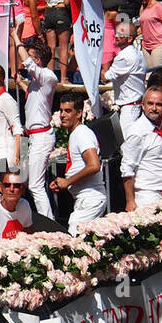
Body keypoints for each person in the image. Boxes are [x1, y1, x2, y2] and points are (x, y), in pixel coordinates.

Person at [12, 34, 58, 218]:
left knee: (35, 185)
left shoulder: (48, 76)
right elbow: (36, 99)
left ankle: (49, 223)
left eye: (30, 57)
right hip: (32, 136)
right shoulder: (37, 81)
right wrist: (22, 84)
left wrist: (16, 39)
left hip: (41, 136)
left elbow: (28, 64)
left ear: (37, 60)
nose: (25, 62)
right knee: (29, 182)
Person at [50, 96, 106, 233]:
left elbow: (94, 165)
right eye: (61, 111)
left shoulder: (82, 133)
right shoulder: (77, 133)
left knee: (75, 243)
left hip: (91, 198)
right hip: (85, 199)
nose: (62, 115)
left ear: (79, 113)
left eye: (68, 111)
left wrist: (67, 181)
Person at [121, 87, 162, 209]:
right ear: (143, 106)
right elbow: (127, 168)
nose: (154, 108)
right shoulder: (137, 131)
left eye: (158, 104)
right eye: (150, 104)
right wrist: (130, 201)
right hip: (147, 195)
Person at [103, 20, 147, 136]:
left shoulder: (123, 57)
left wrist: (96, 62)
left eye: (121, 35)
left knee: (128, 144)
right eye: (116, 33)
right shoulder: (138, 53)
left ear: (129, 39)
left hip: (129, 109)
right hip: (136, 105)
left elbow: (105, 77)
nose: (116, 36)